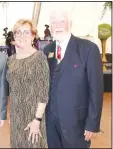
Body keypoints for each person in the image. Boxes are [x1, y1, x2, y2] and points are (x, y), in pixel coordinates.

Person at [44, 8, 104, 148]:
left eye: (62, 21)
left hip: (77, 125)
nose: (57, 25)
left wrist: (92, 124)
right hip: (51, 125)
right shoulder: (47, 51)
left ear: (69, 23)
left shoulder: (88, 49)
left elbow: (96, 89)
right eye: (54, 22)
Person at [7, 19, 49, 148]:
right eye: (18, 32)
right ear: (14, 36)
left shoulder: (39, 58)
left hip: (33, 116)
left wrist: (37, 120)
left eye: (26, 32)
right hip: (16, 116)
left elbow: (43, 92)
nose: (22, 35)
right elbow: (12, 89)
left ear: (33, 36)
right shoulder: (11, 60)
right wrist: (11, 114)